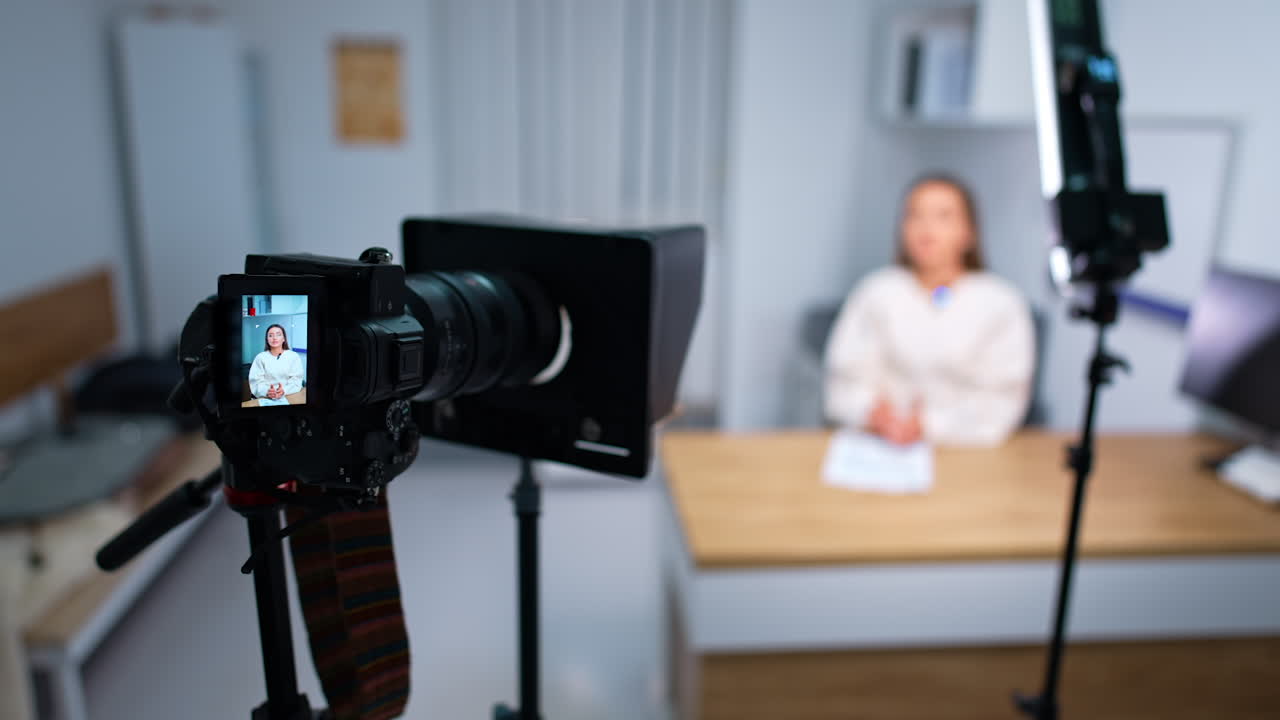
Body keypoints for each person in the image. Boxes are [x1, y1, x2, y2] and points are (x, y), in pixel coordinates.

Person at [824, 174, 1034, 447]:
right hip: (880, 447)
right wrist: (872, 414)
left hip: (969, 452)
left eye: (943, 216)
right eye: (915, 215)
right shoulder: (876, 292)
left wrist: (930, 424)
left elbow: (1003, 400)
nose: (927, 229)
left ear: (969, 232)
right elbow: (843, 383)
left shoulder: (1001, 302)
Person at [248, 324, 304, 403]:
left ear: (283, 338)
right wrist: (268, 392)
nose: (274, 338)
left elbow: (296, 381)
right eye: (270, 335)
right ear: (267, 339)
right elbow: (256, 383)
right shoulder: (260, 357)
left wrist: (284, 390)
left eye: (278, 335)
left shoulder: (293, 356)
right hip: (265, 398)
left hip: (289, 396)